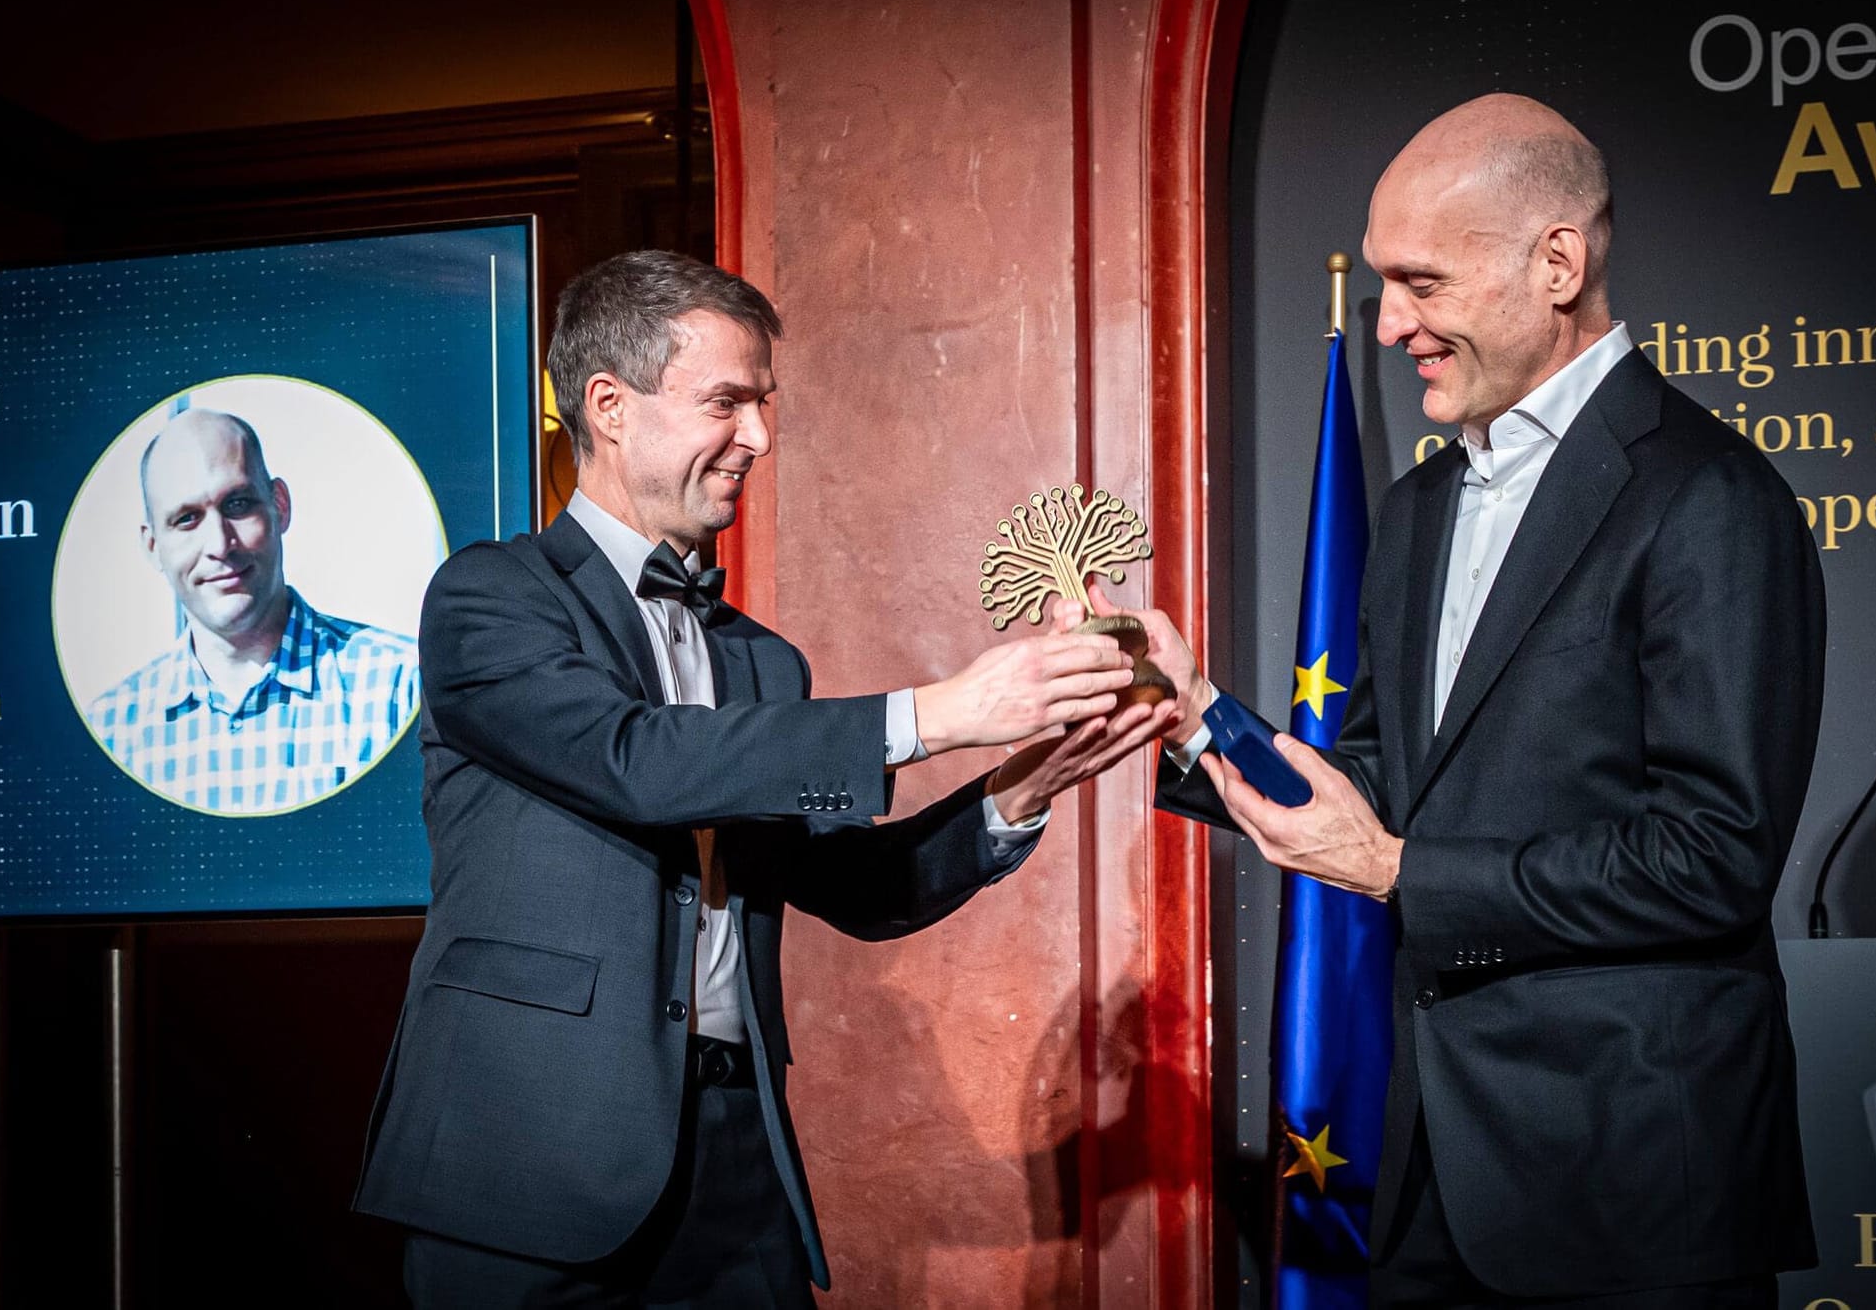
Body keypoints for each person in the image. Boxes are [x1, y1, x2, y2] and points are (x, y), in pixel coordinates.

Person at [353, 250, 1177, 1307]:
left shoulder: (760, 660)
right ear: (608, 405)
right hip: (527, 1160)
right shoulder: (487, 597)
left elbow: (858, 886)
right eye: (726, 402)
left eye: (763, 404)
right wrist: (938, 712)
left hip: (736, 1158)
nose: (759, 437)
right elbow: (633, 762)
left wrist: (1018, 787)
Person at [1116, 94, 1824, 1305]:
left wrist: (1402, 874)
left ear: (1556, 262)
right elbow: (1381, 787)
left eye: (1420, 284)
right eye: (1385, 287)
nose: (1388, 323)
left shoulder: (1706, 497)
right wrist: (1189, 718)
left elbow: (1710, 858)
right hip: (1435, 1169)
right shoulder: (1418, 509)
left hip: (1631, 1186)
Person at [85, 408, 419, 813]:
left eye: (238, 504)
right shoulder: (112, 730)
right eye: (187, 519)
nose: (219, 544)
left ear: (280, 505)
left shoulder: (400, 687)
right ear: (152, 546)